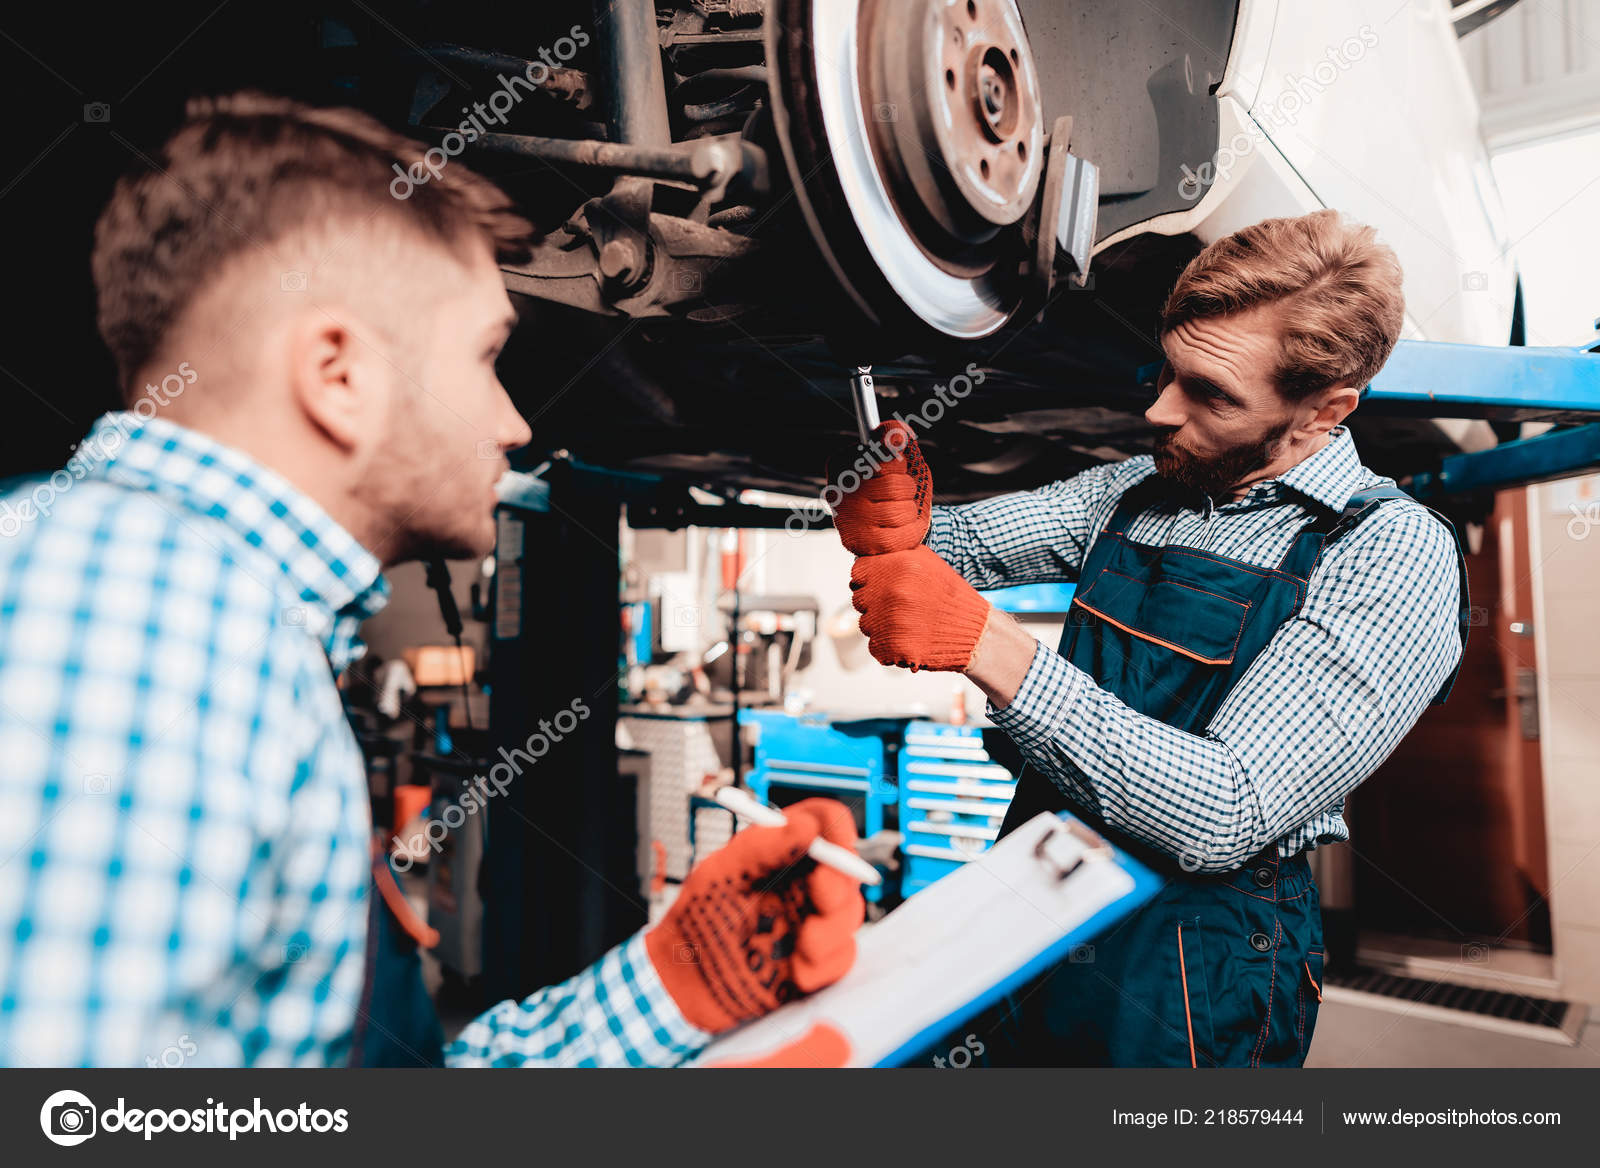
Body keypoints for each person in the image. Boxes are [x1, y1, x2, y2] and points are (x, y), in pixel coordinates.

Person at [0, 92, 862, 1068]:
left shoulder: (174, 594)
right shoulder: (149, 621)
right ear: (338, 375)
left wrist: (670, 989)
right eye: (487, 356)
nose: (515, 423)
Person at [835, 210, 1468, 1067]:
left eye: (1210, 394)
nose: (1159, 410)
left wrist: (993, 650)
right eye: (1170, 372)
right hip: (1039, 880)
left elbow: (1225, 810)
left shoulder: (1389, 551)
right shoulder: (1139, 490)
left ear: (1324, 412)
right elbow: (961, 548)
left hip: (1194, 954)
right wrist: (898, 521)